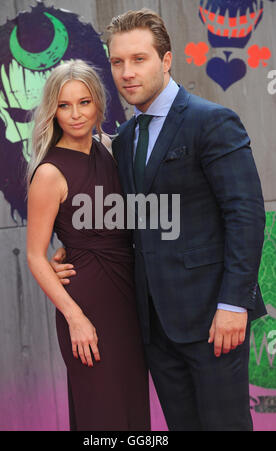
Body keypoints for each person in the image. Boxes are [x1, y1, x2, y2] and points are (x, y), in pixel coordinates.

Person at [52, 10, 267, 431]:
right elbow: (133, 217)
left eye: (139, 59)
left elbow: (245, 215)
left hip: (213, 321)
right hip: (154, 328)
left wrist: (233, 304)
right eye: (117, 62)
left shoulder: (211, 122)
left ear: (166, 60)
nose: (127, 73)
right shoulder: (126, 139)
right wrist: (75, 246)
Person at [26, 59, 150, 431]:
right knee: (103, 414)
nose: (76, 114)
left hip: (127, 301)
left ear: (98, 103)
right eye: (64, 105)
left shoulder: (111, 150)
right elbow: (35, 255)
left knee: (132, 411)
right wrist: (75, 317)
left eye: (84, 102)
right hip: (87, 307)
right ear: (52, 111)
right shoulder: (49, 173)